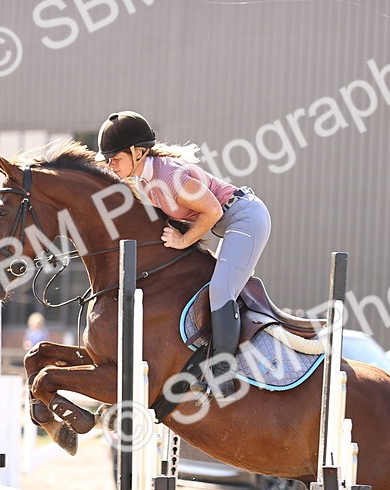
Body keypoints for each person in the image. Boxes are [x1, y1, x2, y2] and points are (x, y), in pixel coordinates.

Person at [97, 111, 271, 398]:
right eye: (108, 160)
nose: (110, 165)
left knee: (220, 288)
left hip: (245, 218)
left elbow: (213, 210)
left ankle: (221, 374)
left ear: (137, 152)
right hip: (227, 224)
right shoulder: (143, 181)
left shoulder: (169, 176)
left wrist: (183, 241)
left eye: (115, 158)